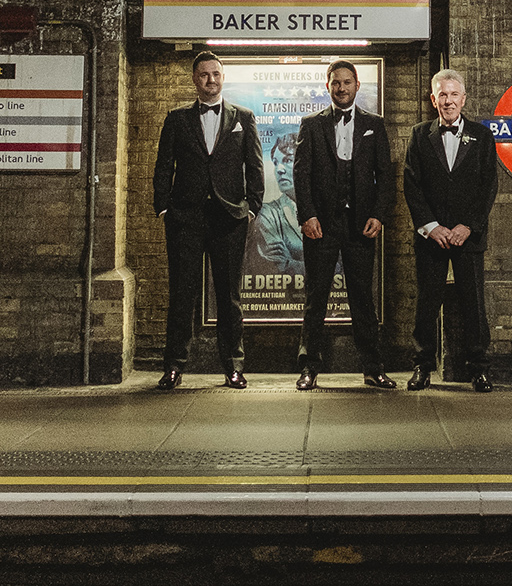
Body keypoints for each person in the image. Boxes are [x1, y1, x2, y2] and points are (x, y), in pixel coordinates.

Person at [152, 50, 265, 390]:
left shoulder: (243, 117)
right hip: (185, 218)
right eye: (204, 75)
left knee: (229, 296)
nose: (210, 80)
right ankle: (173, 366)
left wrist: (252, 208)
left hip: (229, 218)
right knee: (182, 294)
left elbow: (255, 167)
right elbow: (163, 167)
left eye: (215, 74)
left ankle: (233, 367)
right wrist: (163, 208)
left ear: (222, 77)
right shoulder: (176, 118)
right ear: (194, 79)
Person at [292, 60, 395, 390]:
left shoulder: (374, 125)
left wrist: (378, 215)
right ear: (328, 87)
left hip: (360, 225)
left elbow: (386, 177)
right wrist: (307, 216)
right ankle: (309, 368)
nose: (341, 88)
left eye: (347, 82)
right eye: (336, 83)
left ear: (357, 86)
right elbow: (301, 174)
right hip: (321, 224)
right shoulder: (311, 124)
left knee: (363, 298)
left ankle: (372, 368)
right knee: (316, 297)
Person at [402, 67, 499, 392]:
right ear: (433, 99)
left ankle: (479, 369)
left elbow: (488, 187)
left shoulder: (483, 137)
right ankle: (422, 368)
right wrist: (431, 227)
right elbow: (411, 185)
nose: (448, 100)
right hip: (433, 238)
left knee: (473, 304)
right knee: (427, 304)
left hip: (467, 237)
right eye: (442, 94)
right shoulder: (419, 135)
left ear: (463, 98)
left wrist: (468, 226)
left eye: (453, 94)